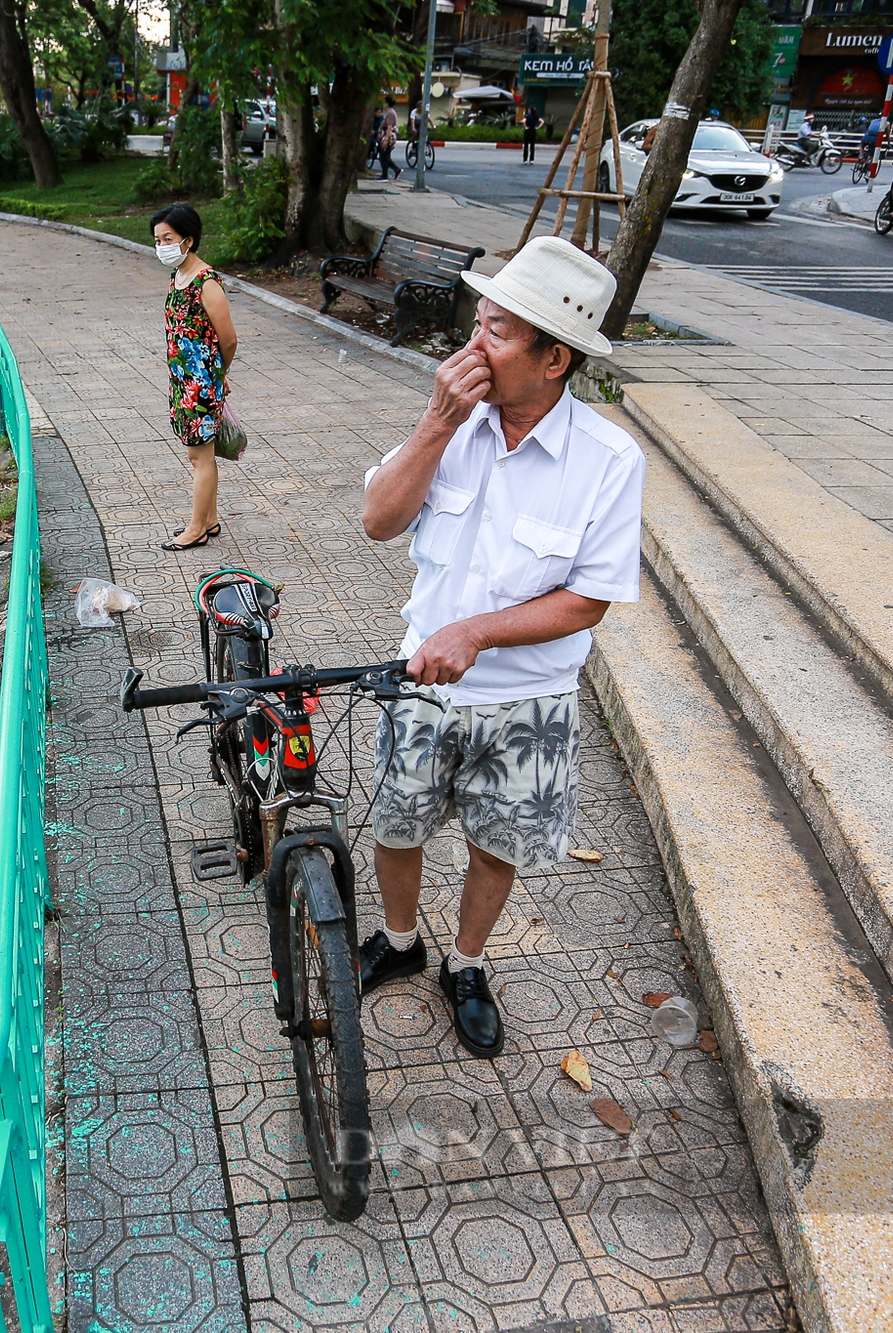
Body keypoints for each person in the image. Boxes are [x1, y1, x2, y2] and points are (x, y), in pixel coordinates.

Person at [356, 235, 644, 1058]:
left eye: (498, 333)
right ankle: (402, 938)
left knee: (498, 843)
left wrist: (478, 630)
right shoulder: (455, 423)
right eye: (477, 321)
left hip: (531, 700)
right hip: (422, 681)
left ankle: (468, 964)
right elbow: (378, 520)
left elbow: (589, 598)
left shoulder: (608, 461)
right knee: (398, 820)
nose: (471, 347)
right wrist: (436, 422)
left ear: (554, 360)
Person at [152, 203, 237, 551]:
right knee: (202, 455)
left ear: (188, 240)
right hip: (183, 383)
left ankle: (196, 528)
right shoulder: (178, 277)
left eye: (167, 238)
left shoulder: (206, 282)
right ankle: (210, 518)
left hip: (199, 386)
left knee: (199, 457)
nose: (161, 247)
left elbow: (228, 339)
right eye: (157, 240)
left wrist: (218, 375)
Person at [382, 104, 401, 180]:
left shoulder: (390, 113)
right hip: (388, 135)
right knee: (385, 155)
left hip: (389, 136)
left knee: (384, 155)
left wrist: (386, 139)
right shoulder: (391, 112)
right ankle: (395, 170)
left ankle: (385, 175)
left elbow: (389, 126)